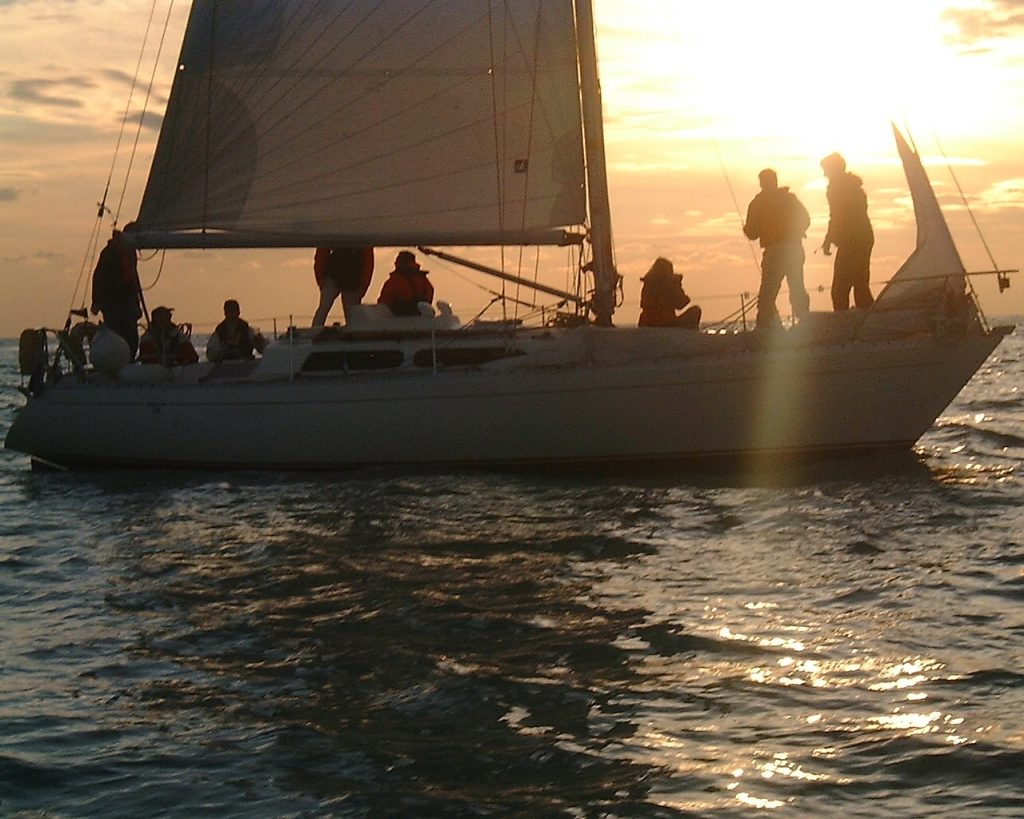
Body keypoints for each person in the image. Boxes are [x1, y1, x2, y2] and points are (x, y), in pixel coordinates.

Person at [742, 169, 811, 330]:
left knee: (768, 291)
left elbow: (752, 233)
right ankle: (805, 324)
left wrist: (746, 229)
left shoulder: (758, 203)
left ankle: (765, 328)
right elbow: (806, 219)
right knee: (797, 287)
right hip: (794, 249)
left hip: (774, 252)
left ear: (761, 183)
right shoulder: (790, 199)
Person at [820, 152, 875, 311]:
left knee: (839, 290)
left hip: (852, 241)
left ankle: (842, 325)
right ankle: (868, 322)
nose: (824, 174)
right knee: (861, 286)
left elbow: (837, 215)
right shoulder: (854, 186)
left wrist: (828, 239)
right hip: (864, 237)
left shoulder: (836, 188)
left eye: (826, 170)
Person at [90, 227, 143, 358]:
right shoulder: (109, 252)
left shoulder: (130, 253)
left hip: (127, 299)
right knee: (115, 332)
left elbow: (133, 278)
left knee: (131, 333)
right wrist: (96, 301)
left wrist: (137, 302)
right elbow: (98, 276)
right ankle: (115, 358)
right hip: (112, 300)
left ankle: (128, 358)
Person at [312, 246, 375, 325]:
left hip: (352, 280)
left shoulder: (362, 235)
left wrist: (363, 285)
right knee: (324, 307)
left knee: (351, 315)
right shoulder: (338, 234)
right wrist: (320, 277)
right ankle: (314, 332)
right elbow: (323, 250)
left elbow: (368, 260)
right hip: (334, 276)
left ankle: (353, 334)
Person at [637, 257, 701, 329]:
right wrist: (677, 284)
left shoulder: (648, 283)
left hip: (646, 323)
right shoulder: (668, 284)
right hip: (666, 324)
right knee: (696, 311)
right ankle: (689, 337)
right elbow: (682, 303)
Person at [377, 251, 434, 316]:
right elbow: (429, 296)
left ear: (400, 262)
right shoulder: (423, 280)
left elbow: (383, 304)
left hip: (399, 321)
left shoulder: (395, 281)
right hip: (423, 318)